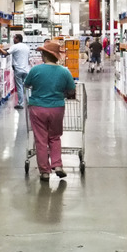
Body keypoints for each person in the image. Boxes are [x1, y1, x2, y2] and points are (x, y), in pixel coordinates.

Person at [24, 40, 76, 181]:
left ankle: (45, 172)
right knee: (54, 137)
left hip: (37, 108)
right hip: (57, 108)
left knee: (41, 140)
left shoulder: (35, 70)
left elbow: (26, 84)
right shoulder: (64, 72)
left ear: (44, 55)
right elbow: (71, 90)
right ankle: (57, 165)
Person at [0, 34, 30, 109]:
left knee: (19, 87)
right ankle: (29, 102)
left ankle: (21, 104)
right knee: (27, 87)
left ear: (18, 39)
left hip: (18, 70)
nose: (13, 39)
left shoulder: (15, 46)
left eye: (14, 38)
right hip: (26, 69)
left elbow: (5, 53)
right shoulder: (26, 47)